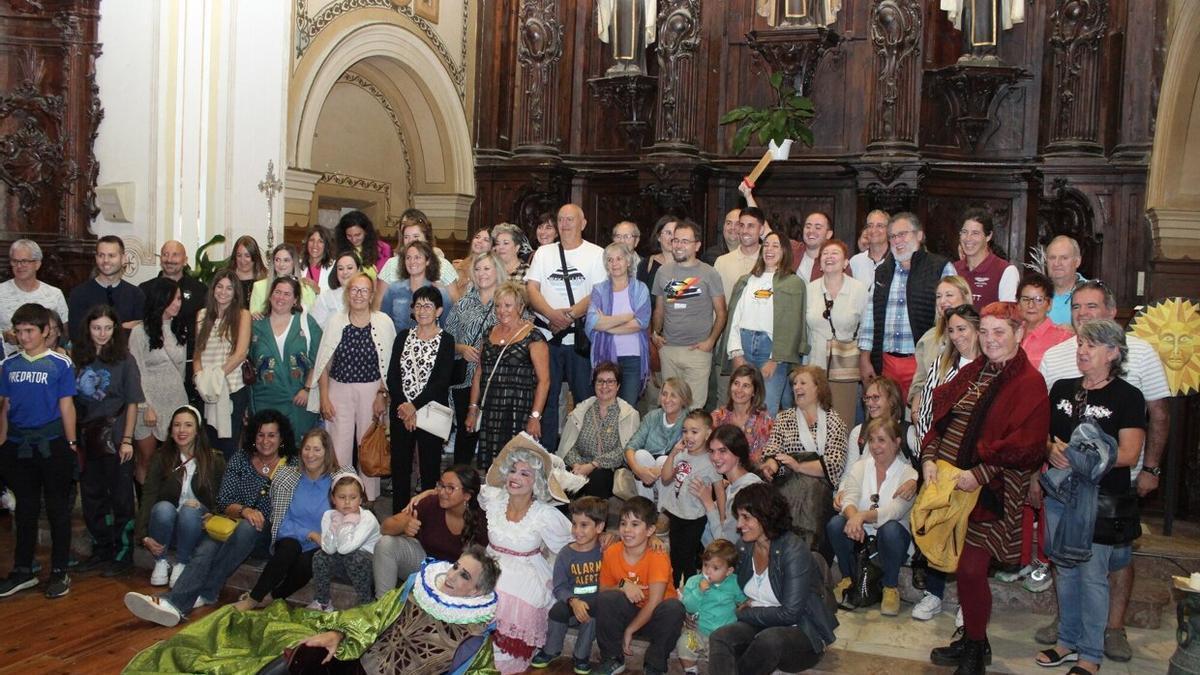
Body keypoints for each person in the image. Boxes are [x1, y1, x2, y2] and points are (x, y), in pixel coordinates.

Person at [1036, 280, 1170, 660]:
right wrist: (1050, 449)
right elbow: (1043, 435)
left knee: (1094, 576)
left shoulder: (1127, 395)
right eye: (1081, 344)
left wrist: (1079, 457)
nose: (1082, 351)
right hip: (1061, 495)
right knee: (1065, 570)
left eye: (1092, 346)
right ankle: (1066, 642)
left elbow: (1128, 453)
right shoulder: (1062, 388)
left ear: (1113, 352)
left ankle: (1090, 656)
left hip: (1100, 498)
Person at [125, 547, 503, 674]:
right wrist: (337, 633)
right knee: (304, 655)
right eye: (455, 566)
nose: (453, 575)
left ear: (477, 591)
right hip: (361, 664)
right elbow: (369, 617)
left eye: (464, 574)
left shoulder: (475, 637)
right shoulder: (417, 590)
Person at [923, 302, 1049, 674]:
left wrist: (978, 474)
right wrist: (929, 456)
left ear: (1018, 334)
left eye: (1000, 332)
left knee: (973, 569)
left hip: (992, 490)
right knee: (963, 569)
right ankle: (972, 639)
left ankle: (976, 651)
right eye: (986, 331)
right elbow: (941, 422)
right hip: (951, 486)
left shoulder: (1028, 381)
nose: (990, 340)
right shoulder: (974, 371)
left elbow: (1027, 445)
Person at [124, 409, 298, 626]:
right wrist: (244, 511)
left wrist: (254, 517)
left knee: (247, 528)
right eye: (261, 434)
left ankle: (206, 591)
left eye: (272, 435)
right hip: (232, 524)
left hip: (266, 536)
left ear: (282, 438)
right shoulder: (241, 460)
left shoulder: (292, 466)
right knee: (208, 545)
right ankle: (172, 604)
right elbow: (223, 501)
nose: (265, 440)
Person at [708, 482, 839, 674]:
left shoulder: (793, 550)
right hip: (758, 625)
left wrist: (742, 613)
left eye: (746, 517)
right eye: (739, 517)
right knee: (720, 637)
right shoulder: (744, 547)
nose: (739, 525)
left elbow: (790, 614)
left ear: (766, 516)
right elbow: (724, 581)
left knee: (769, 640)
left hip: (800, 630)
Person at [0, 304, 77, 600]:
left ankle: (59, 570)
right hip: (19, 447)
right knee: (26, 509)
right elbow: (5, 407)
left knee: (58, 508)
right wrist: (3, 443)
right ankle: (23, 570)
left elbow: (66, 406)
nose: (24, 337)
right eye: (19, 331)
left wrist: (71, 445)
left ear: (46, 331)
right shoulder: (9, 365)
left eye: (30, 331)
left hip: (53, 444)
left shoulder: (60, 364)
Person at [480, 435, 574, 674]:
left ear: (537, 483)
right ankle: (476, 651)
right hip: (490, 565)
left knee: (505, 590)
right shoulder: (494, 500)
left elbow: (572, 543)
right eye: (513, 470)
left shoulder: (544, 515)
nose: (515, 478)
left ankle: (506, 656)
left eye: (525, 474)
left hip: (527, 571)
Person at [232, 428, 351, 611]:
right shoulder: (287, 477)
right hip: (292, 536)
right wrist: (309, 534)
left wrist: (322, 538)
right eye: (307, 448)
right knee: (289, 547)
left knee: (308, 561)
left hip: (324, 543)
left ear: (327, 452)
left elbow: (347, 519)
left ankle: (274, 596)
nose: (310, 454)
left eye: (317, 449)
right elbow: (281, 521)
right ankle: (254, 598)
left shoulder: (339, 481)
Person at [526, 203, 607, 452]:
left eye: (571, 219)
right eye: (561, 219)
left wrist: (569, 315)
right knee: (547, 399)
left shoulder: (596, 253)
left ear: (583, 224)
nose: (565, 224)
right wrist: (551, 314)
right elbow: (531, 289)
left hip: (579, 341)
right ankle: (546, 453)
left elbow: (598, 292)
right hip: (547, 338)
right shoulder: (544, 253)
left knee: (584, 399)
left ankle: (581, 455)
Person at [308, 272, 395, 502]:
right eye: (354, 290)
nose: (358, 295)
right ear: (348, 293)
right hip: (339, 389)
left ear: (371, 295)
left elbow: (390, 364)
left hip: (372, 390)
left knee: (369, 447)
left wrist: (382, 394)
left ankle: (369, 500)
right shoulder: (336, 321)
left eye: (364, 290)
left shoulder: (384, 322)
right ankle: (340, 497)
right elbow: (324, 364)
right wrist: (324, 397)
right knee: (339, 447)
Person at [72, 305, 144, 577]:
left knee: (121, 498)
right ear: (88, 329)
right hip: (86, 438)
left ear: (115, 330)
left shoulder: (125, 359)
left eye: (107, 328)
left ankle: (122, 554)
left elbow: (133, 403)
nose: (102, 333)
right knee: (92, 497)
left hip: (116, 437)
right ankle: (101, 549)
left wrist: (127, 440)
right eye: (96, 328)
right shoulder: (78, 358)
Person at [858, 212, 955, 402]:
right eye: (893, 236)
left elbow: (953, 316)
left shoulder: (940, 267)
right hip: (886, 363)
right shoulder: (883, 272)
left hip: (923, 362)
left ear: (919, 235)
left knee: (920, 420)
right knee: (886, 424)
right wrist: (864, 358)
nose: (897, 241)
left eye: (903, 234)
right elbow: (870, 317)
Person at [828, 417, 918, 616]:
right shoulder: (860, 467)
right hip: (860, 537)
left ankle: (890, 587)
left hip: (890, 542)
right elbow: (848, 499)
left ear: (897, 442)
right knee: (835, 524)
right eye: (872, 440)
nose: (875, 446)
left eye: (882, 440)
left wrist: (861, 517)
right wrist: (854, 517)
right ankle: (848, 578)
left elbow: (894, 511)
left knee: (891, 528)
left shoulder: (909, 475)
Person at [592, 496, 686, 675]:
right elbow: (602, 589)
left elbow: (655, 601)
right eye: (623, 523)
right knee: (606, 598)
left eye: (635, 524)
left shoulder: (658, 555)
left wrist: (629, 630)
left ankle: (654, 665)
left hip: (656, 618)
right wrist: (622, 585)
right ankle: (612, 659)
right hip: (629, 612)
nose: (627, 530)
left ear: (650, 530)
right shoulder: (612, 552)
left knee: (674, 607)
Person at [135, 405, 226, 588]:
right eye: (177, 425)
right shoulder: (161, 457)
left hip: (196, 525)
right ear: (171, 430)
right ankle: (160, 561)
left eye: (188, 425)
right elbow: (149, 495)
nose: (182, 430)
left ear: (197, 430)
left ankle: (182, 563)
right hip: (167, 525)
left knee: (190, 509)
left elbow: (224, 495)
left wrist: (215, 513)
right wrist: (142, 534)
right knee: (162, 508)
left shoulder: (214, 459)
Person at [761, 365, 849, 549]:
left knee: (811, 489)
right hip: (786, 484)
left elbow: (835, 464)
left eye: (803, 383)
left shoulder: (835, 421)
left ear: (818, 387)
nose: (796, 387)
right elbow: (773, 450)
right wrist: (770, 466)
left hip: (820, 490)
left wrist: (799, 466)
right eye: (794, 383)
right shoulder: (784, 418)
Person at [722, 228, 808, 416]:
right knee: (741, 407)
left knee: (766, 411)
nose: (769, 249)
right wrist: (736, 352)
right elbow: (734, 319)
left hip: (771, 350)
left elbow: (793, 326)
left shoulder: (794, 283)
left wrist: (775, 358)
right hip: (744, 345)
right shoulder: (746, 281)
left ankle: (766, 446)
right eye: (766, 245)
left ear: (784, 251)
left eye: (775, 245)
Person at [466, 281, 549, 469]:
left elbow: (544, 381)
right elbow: (479, 372)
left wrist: (535, 416)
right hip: (490, 411)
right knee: (492, 468)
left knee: (516, 467)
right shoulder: (488, 333)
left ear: (520, 307)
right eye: (498, 305)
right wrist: (473, 408)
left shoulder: (534, 336)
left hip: (518, 411)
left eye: (507, 305)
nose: (501, 310)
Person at [386, 285, 455, 506]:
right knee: (400, 467)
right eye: (418, 305)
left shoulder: (446, 340)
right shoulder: (403, 336)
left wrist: (414, 406)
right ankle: (399, 515)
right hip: (401, 410)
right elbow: (392, 376)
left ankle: (427, 515)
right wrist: (404, 406)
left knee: (430, 468)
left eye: (428, 306)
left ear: (439, 311)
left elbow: (440, 381)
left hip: (430, 411)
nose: (423, 310)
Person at [374, 465, 489, 597]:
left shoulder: (483, 519)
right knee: (386, 544)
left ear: (467, 495)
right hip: (424, 565)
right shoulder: (431, 503)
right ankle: (382, 608)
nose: (442, 492)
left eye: (450, 488)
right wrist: (404, 526)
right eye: (441, 485)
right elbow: (385, 528)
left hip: (457, 579)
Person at [652, 219, 727, 409]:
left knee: (694, 409)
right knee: (670, 407)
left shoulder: (709, 273)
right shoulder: (663, 272)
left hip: (698, 352)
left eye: (685, 241)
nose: (678, 245)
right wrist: (655, 333)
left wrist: (710, 341)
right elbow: (659, 308)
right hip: (669, 350)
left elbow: (721, 312)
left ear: (697, 246)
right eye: (676, 240)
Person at [530, 495, 607, 673]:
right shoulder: (566, 553)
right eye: (574, 524)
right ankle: (552, 649)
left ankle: (581, 655)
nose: (577, 530)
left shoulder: (605, 551)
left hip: (594, 607)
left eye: (584, 525)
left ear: (599, 527)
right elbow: (559, 587)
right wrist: (572, 600)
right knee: (557, 610)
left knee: (593, 612)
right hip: (572, 604)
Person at [447, 252, 507, 465]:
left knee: (496, 433)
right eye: (478, 269)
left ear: (497, 271)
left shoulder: (508, 301)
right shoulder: (463, 303)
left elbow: (523, 334)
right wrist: (461, 348)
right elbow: (446, 341)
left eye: (487, 268)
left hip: (498, 378)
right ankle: (462, 482)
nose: (482, 273)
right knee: (467, 432)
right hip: (466, 378)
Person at [128, 278, 189, 485]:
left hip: (175, 403)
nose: (177, 303)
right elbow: (136, 372)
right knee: (146, 460)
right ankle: (146, 510)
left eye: (179, 298)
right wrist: (146, 406)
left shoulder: (180, 329)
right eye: (172, 299)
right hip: (148, 405)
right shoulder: (139, 332)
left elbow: (181, 370)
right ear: (160, 300)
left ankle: (167, 507)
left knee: (172, 462)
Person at [248, 277, 322, 446]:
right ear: (270, 295)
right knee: (267, 451)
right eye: (277, 292)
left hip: (299, 402)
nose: (281, 298)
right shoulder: (256, 325)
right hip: (264, 401)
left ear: (295, 299)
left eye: (287, 294)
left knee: (298, 453)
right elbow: (248, 363)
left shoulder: (306, 323)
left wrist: (307, 389)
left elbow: (320, 359)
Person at [806, 239, 869, 424]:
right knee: (814, 420)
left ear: (846, 262)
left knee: (842, 421)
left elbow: (867, 329)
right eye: (825, 254)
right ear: (819, 263)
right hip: (814, 366)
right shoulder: (809, 289)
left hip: (846, 366)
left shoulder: (859, 290)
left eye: (835, 253)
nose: (829, 257)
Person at [138, 241, 208, 408]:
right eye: (165, 254)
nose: (169, 259)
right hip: (154, 369)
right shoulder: (145, 289)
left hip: (189, 367)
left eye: (175, 255)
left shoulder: (200, 290)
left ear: (185, 260)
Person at [559, 361, 641, 500]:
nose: (604, 386)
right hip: (579, 464)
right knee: (561, 479)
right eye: (600, 381)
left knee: (598, 478)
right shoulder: (582, 410)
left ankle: (595, 519)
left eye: (610, 382)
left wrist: (592, 465)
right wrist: (577, 465)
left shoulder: (629, 414)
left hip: (608, 469)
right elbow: (568, 443)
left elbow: (624, 450)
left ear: (618, 386)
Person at [193, 270, 251, 459]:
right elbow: (197, 354)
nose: (223, 292)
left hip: (231, 388)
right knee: (207, 447)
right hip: (205, 389)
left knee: (228, 447)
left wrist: (216, 377)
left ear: (236, 293)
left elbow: (240, 353)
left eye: (229, 288)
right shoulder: (202, 315)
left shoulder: (243, 315)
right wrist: (200, 379)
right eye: (219, 286)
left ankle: (228, 488)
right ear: (213, 289)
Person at [659, 409, 721, 584]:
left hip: (695, 517)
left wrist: (722, 516)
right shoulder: (681, 454)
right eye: (685, 431)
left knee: (687, 555)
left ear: (708, 434)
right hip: (676, 513)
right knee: (675, 554)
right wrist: (672, 454)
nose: (688, 436)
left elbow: (720, 490)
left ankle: (690, 590)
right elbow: (665, 478)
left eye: (694, 432)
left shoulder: (710, 460)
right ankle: (674, 588)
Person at [587, 242, 651, 406]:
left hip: (633, 359)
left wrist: (607, 324)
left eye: (619, 259)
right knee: (606, 406)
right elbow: (593, 322)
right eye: (610, 260)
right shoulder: (599, 290)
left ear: (628, 261)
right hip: (605, 359)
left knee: (627, 408)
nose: (614, 264)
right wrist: (627, 316)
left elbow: (641, 322)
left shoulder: (640, 288)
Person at [309, 474, 382, 610]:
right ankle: (323, 602)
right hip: (343, 562)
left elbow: (345, 548)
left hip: (370, 567)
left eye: (353, 497)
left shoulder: (368, 519)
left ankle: (367, 604)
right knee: (319, 556)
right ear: (333, 499)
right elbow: (329, 549)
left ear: (360, 499)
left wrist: (347, 522)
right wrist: (335, 524)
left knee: (354, 557)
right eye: (342, 497)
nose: (347, 502)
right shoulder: (329, 516)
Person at [676, 539, 747, 675]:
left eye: (715, 568)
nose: (708, 571)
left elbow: (742, 600)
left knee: (723, 657)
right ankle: (690, 670)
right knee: (684, 643)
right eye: (705, 565)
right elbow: (689, 607)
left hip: (722, 636)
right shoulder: (694, 581)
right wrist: (699, 591)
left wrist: (746, 603)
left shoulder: (734, 583)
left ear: (728, 571)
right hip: (698, 631)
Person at [908, 275, 973, 420]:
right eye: (938, 296)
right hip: (928, 417)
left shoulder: (978, 335)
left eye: (949, 295)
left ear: (965, 297)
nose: (943, 301)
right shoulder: (928, 338)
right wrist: (916, 414)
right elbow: (919, 384)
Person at [67, 235, 145, 343]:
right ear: (96, 258)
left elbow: (140, 334)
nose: (105, 260)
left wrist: (97, 331)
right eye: (101, 255)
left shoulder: (136, 294)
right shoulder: (79, 294)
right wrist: (122, 328)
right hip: (90, 357)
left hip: (126, 356)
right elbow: (77, 334)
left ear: (123, 259)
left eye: (111, 255)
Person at [624, 377, 690, 502]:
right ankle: (644, 507)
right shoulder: (652, 417)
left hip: (674, 473)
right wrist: (638, 470)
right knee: (640, 454)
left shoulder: (690, 420)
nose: (667, 399)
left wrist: (658, 470)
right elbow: (630, 447)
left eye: (673, 396)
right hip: (646, 474)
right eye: (664, 394)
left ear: (684, 399)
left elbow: (688, 456)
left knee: (664, 460)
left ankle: (662, 510)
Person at [0, 239, 69, 357]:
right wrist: (5, 336)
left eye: (24, 261)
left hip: (47, 362)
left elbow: (64, 333)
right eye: (15, 261)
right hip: (8, 363)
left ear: (37, 264)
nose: (19, 266)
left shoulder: (54, 294)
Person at [697, 423, 763, 545]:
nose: (715, 457)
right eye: (712, 451)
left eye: (722, 451)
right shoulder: (731, 486)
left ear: (738, 452)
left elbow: (726, 545)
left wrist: (709, 503)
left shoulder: (749, 490)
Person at [843, 376, 920, 470]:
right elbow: (848, 475)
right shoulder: (858, 432)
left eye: (875, 397)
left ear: (892, 401)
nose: (869, 403)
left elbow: (924, 463)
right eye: (867, 398)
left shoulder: (907, 432)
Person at [379, 240, 453, 335]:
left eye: (417, 257)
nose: (412, 262)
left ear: (428, 261)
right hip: (398, 346)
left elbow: (446, 329)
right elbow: (385, 322)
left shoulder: (441, 294)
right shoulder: (393, 289)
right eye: (408, 258)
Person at [953, 209, 1019, 306]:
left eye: (975, 233)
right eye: (964, 232)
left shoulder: (1006, 271)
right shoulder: (952, 269)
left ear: (988, 236)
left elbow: (1008, 316)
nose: (968, 238)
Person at [711, 365, 774, 465]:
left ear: (754, 392)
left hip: (751, 474)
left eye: (746, 386)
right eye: (736, 383)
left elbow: (765, 459)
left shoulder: (764, 421)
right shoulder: (718, 416)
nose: (739, 390)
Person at [380, 208, 457, 285]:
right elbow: (379, 295)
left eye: (416, 236)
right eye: (406, 237)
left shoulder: (443, 265)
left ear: (426, 238)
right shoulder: (392, 264)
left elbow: (456, 296)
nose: (411, 241)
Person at [1019, 272, 1074, 369]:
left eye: (1038, 299)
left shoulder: (1063, 338)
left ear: (1049, 304)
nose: (1031, 305)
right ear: (1018, 303)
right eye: (1025, 299)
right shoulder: (1010, 332)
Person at [248, 243, 317, 315]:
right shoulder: (259, 287)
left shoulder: (307, 288)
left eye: (286, 260)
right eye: (277, 260)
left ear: (294, 263)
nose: (281, 264)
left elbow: (314, 318)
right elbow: (253, 320)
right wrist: (254, 316)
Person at [714, 206, 764, 301]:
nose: (745, 231)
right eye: (741, 225)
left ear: (761, 230)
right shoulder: (722, 262)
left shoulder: (769, 260)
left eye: (751, 226)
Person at [309, 250, 361, 326]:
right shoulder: (325, 297)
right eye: (340, 269)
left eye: (349, 268)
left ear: (358, 270)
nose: (345, 272)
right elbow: (314, 327)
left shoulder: (367, 295)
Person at [334, 210, 391, 276]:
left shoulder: (383, 249)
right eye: (349, 236)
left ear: (366, 231)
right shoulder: (340, 250)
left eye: (358, 235)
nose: (354, 240)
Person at [1045, 235, 1085, 326]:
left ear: (1077, 261)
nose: (1057, 263)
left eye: (1064, 258)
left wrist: (1075, 333)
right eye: (1052, 258)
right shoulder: (1038, 293)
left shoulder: (1092, 292)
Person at [848, 209, 890, 290]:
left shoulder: (897, 261)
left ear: (889, 230)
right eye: (870, 226)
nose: (874, 230)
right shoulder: (855, 261)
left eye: (879, 226)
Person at [450, 227, 494, 300]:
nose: (479, 241)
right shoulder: (460, 266)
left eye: (486, 240)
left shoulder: (493, 270)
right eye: (477, 237)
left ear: (493, 247)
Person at [226, 235, 268, 309]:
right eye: (239, 255)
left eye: (247, 256)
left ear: (255, 257)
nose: (242, 260)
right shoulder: (226, 277)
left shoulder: (266, 279)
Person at [638, 215, 676, 295]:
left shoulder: (687, 265)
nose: (672, 237)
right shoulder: (646, 264)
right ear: (658, 237)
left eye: (675, 233)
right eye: (668, 233)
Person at [795, 211, 834, 282]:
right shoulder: (793, 250)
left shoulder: (836, 261)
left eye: (818, 228)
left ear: (828, 234)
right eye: (808, 227)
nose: (811, 231)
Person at [299, 224, 335, 294]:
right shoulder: (298, 265)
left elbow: (337, 294)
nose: (315, 245)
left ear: (326, 245)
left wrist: (318, 290)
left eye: (320, 241)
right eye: (312, 240)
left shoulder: (334, 267)